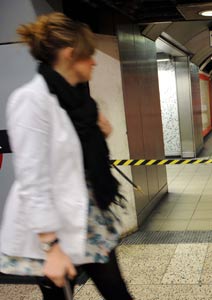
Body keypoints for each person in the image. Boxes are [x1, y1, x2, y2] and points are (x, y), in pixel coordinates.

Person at [0, 12, 133, 300]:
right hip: (52, 225)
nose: (95, 62)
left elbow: (73, 154)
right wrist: (52, 247)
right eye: (90, 55)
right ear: (72, 55)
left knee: (117, 292)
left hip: (88, 215)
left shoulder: (78, 101)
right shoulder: (30, 100)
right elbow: (32, 178)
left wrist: (101, 133)